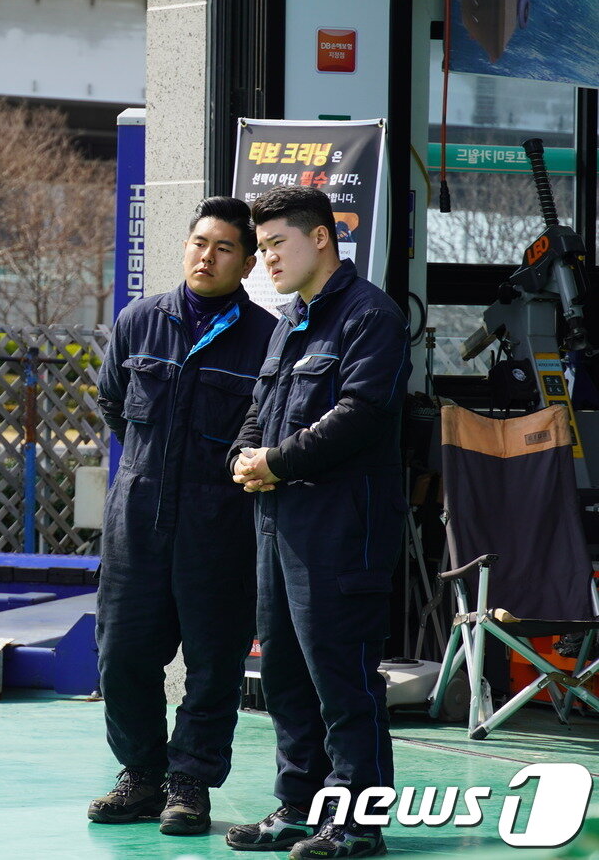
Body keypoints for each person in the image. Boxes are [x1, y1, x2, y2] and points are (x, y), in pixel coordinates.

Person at [227, 186, 409, 859]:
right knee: (284, 676)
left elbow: (360, 413)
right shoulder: (290, 322)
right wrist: (244, 457)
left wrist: (275, 461)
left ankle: (358, 822)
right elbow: (259, 407)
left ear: (322, 237)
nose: (267, 259)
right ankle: (301, 806)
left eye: (277, 243)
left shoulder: (371, 316)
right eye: (262, 247)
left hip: (341, 529)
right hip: (279, 525)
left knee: (341, 678)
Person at [90, 197, 275, 836]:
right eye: (199, 243)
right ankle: (141, 775)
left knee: (213, 663)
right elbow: (112, 403)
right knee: (122, 654)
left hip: (219, 526)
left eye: (224, 248)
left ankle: (189, 782)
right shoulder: (140, 320)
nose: (207, 257)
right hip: (137, 519)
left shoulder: (266, 339)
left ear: (248, 264)